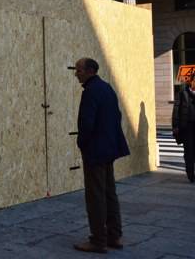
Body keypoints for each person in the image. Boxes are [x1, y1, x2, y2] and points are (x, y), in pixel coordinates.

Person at [73, 58, 131, 254]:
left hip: (96, 150)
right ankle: (114, 235)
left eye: (78, 70)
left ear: (89, 71)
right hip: (108, 148)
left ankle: (98, 240)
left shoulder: (90, 92)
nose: (76, 73)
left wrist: (82, 142)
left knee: (96, 195)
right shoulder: (106, 88)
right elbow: (117, 116)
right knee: (109, 192)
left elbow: (87, 123)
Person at [172, 73, 195, 183]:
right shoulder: (182, 92)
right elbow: (176, 109)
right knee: (189, 151)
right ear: (190, 80)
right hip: (186, 127)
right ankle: (191, 174)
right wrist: (175, 125)